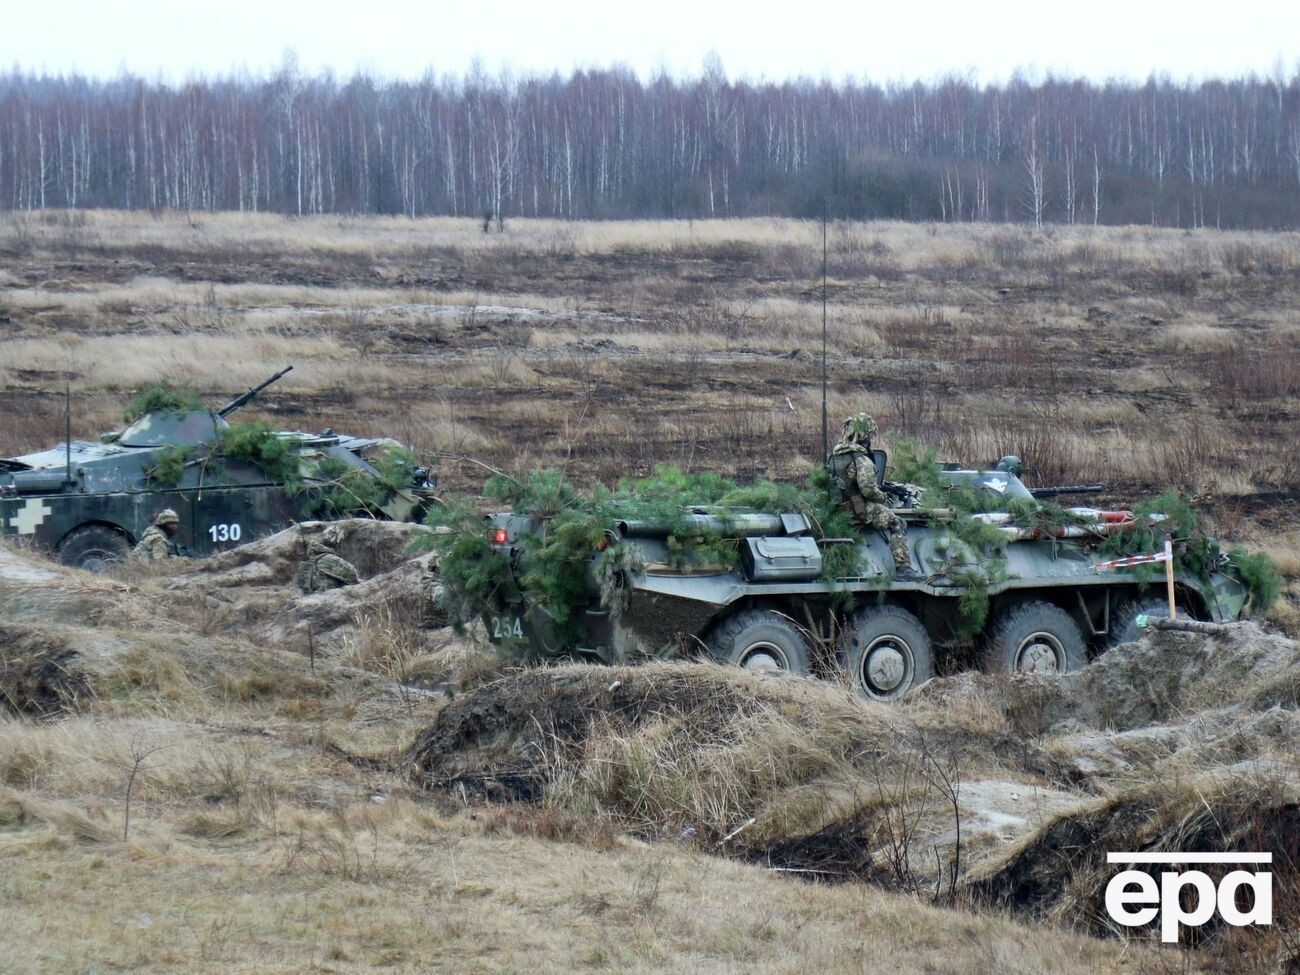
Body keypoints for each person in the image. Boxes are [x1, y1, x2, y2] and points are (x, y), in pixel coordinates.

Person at [828, 413, 921, 581]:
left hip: (836, 510)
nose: (872, 437)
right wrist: (884, 497)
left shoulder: (834, 457)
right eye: (870, 434)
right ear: (864, 435)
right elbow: (869, 490)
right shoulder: (862, 459)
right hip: (856, 510)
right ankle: (903, 569)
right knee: (897, 522)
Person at [295, 524, 359, 593]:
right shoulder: (330, 559)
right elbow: (352, 575)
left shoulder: (309, 560)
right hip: (327, 596)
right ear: (337, 542)